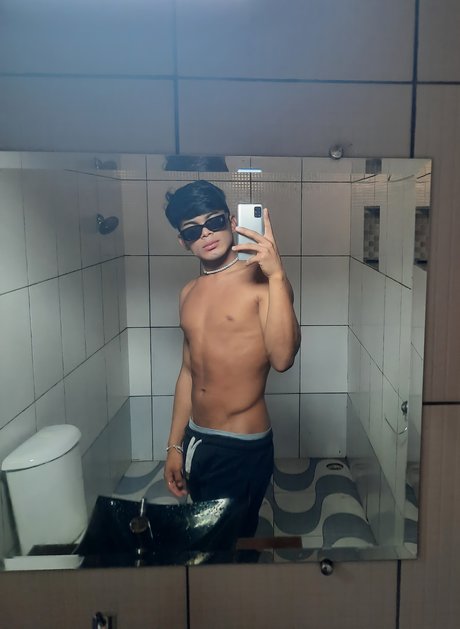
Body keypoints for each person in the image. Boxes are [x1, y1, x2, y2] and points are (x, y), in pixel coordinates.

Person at [163, 180, 301, 538]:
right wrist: (175, 445)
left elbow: (283, 358)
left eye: (215, 221)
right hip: (197, 439)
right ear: (183, 241)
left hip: (241, 446)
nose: (206, 233)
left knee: (228, 545)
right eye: (193, 230)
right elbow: (188, 372)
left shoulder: (263, 281)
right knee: (206, 536)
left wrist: (277, 275)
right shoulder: (188, 293)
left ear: (232, 221)